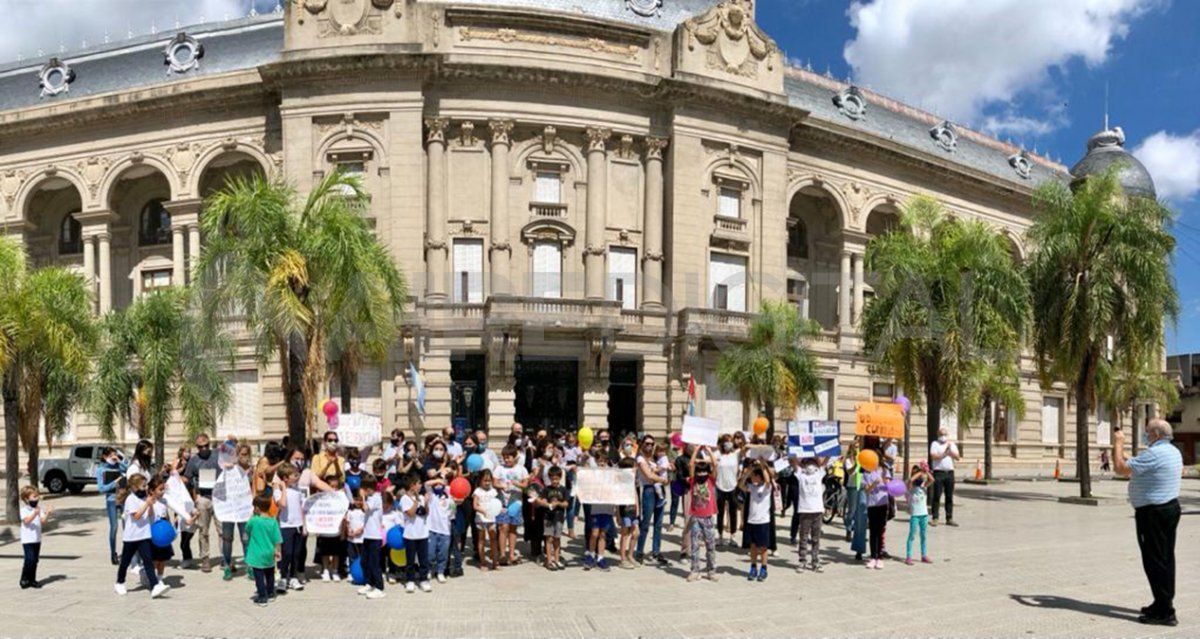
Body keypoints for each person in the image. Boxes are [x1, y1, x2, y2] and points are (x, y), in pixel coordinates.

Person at [1113, 419, 1182, 626]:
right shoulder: (1172, 451)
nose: (1146, 435)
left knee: (1154, 561)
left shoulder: (1154, 453)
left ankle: (1165, 611)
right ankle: (1162, 601)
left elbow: (1120, 469)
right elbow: (1139, 465)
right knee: (1165, 558)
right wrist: (1128, 457)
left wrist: (1118, 443)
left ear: (1157, 435)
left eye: (1147, 432)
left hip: (1153, 514)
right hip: (1169, 508)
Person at [114, 475, 170, 598]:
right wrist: (146, 503)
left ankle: (154, 586)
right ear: (134, 486)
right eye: (143, 485)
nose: (145, 488)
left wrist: (150, 505)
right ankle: (120, 582)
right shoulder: (131, 499)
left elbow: (149, 515)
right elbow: (137, 516)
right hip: (131, 537)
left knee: (148, 561)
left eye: (146, 485)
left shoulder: (145, 498)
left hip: (144, 535)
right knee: (125, 561)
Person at [685, 447, 719, 582]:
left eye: (704, 471)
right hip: (695, 517)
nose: (701, 474)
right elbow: (691, 464)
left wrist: (709, 451)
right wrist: (697, 449)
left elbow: (715, 464)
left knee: (711, 545)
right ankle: (695, 570)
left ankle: (711, 570)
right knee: (694, 545)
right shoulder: (693, 481)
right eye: (699, 472)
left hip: (708, 517)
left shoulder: (711, 480)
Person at [493, 445, 529, 565]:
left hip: (516, 502)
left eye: (509, 457)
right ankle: (502, 554)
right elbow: (494, 482)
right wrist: (501, 486)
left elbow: (525, 485)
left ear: (515, 457)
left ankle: (512, 553)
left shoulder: (522, 469)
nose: (506, 460)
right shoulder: (499, 468)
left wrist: (516, 484)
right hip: (502, 502)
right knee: (503, 527)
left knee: (513, 528)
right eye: (504, 458)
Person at [634, 437, 669, 565]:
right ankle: (639, 552)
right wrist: (663, 480)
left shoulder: (656, 458)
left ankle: (656, 551)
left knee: (658, 524)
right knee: (645, 523)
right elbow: (649, 476)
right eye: (647, 443)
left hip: (659, 490)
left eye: (652, 444)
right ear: (642, 444)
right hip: (648, 491)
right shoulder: (640, 459)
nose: (650, 446)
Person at [738, 458, 774, 582]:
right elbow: (740, 484)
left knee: (763, 547)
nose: (752, 478)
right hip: (751, 520)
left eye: (754, 476)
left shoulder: (767, 488)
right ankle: (753, 567)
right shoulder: (751, 487)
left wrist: (762, 465)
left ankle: (764, 568)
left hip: (763, 521)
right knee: (752, 546)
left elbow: (768, 480)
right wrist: (749, 471)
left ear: (760, 477)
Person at [244, 493, 282, 607]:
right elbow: (277, 539)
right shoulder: (273, 521)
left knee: (259, 577)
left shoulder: (254, 521)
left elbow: (247, 529)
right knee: (270, 574)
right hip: (269, 553)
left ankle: (262, 597)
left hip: (256, 554)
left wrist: (251, 516)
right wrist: (277, 551)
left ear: (257, 508)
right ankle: (270, 593)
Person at [273, 463, 306, 591]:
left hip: (298, 525)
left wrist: (304, 525)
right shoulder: (278, 491)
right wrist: (283, 488)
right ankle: (282, 577)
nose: (297, 477)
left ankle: (293, 577)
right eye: (294, 475)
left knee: (296, 553)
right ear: (286, 478)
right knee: (286, 553)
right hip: (285, 526)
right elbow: (283, 504)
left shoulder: (298, 491)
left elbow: (302, 509)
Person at [399, 473, 432, 593]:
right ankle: (410, 581)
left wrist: (426, 502)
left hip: (423, 534)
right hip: (410, 535)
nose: (421, 486)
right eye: (419, 484)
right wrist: (416, 501)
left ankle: (423, 580)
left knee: (423, 559)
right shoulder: (404, 499)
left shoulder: (422, 497)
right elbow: (411, 513)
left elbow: (426, 512)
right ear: (412, 485)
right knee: (410, 560)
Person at [793, 456, 826, 573]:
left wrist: (828, 451)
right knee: (803, 537)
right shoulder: (801, 475)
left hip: (817, 510)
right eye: (808, 463)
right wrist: (792, 452)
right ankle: (802, 560)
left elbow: (825, 461)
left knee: (816, 538)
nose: (810, 466)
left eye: (813, 463)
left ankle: (815, 561)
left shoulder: (819, 474)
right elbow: (793, 462)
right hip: (805, 510)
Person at [96, 447, 128, 565]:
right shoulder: (101, 470)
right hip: (111, 500)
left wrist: (119, 461)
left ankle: (127, 552)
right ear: (105, 457)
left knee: (127, 526)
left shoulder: (118, 466)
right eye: (111, 456)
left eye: (115, 455)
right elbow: (101, 488)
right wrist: (115, 482)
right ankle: (113, 553)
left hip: (123, 498)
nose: (113, 457)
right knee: (114, 527)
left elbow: (129, 469)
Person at [358, 474, 386, 599]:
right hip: (367, 535)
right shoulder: (371, 498)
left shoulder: (376, 498)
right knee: (365, 561)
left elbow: (365, 508)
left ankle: (380, 587)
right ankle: (369, 582)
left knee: (375, 563)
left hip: (375, 536)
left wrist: (362, 496)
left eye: (364, 488)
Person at [536, 465, 569, 571]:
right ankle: (549, 560)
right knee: (549, 538)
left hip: (559, 517)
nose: (555, 481)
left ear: (560, 478)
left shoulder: (563, 490)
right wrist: (545, 502)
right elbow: (543, 501)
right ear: (549, 478)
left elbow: (566, 504)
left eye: (557, 478)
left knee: (557, 538)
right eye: (552, 479)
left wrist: (558, 503)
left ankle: (557, 559)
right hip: (548, 517)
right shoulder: (546, 489)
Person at [19, 486, 51, 589]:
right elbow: (26, 521)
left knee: (35, 560)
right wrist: (34, 513)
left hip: (37, 539)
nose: (36, 499)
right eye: (34, 497)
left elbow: (42, 521)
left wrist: (47, 513)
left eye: (37, 496)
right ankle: (24, 578)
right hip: (27, 540)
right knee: (30, 559)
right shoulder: (24, 510)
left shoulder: (38, 509)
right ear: (27, 499)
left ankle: (32, 579)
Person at [929, 427, 960, 526]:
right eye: (941, 434)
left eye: (945, 434)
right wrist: (944, 454)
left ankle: (949, 518)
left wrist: (951, 453)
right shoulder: (935, 444)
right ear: (938, 435)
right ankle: (935, 517)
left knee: (949, 496)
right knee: (937, 495)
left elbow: (958, 457)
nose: (943, 436)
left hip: (949, 473)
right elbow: (933, 456)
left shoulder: (951, 444)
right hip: (938, 473)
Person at [425, 474, 454, 583]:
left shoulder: (449, 494)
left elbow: (453, 507)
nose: (438, 485)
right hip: (432, 529)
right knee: (430, 553)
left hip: (445, 530)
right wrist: (438, 480)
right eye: (436, 483)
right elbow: (427, 484)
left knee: (443, 554)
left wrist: (444, 483)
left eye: (441, 483)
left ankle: (440, 572)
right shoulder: (431, 495)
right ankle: (428, 570)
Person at [863, 459, 890, 570]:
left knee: (880, 530)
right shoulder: (866, 473)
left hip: (882, 504)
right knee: (873, 531)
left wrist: (884, 480)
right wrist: (874, 483)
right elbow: (867, 491)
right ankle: (873, 556)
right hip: (872, 504)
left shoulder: (884, 470)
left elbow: (889, 486)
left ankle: (880, 557)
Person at [714, 434, 740, 546]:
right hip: (720, 486)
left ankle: (732, 536)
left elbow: (745, 447)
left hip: (733, 486)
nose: (728, 444)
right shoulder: (717, 455)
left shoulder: (735, 455)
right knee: (720, 513)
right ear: (722, 443)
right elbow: (707, 459)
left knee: (733, 512)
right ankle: (719, 536)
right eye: (726, 441)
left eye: (730, 441)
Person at [473, 469, 501, 571]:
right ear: (480, 480)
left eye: (489, 480)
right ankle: (483, 562)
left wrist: (500, 509)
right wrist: (483, 511)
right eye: (485, 480)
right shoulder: (477, 491)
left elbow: (497, 503)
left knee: (493, 540)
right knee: (481, 540)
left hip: (492, 519)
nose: (487, 482)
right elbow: (475, 505)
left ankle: (495, 562)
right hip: (481, 519)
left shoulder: (493, 491)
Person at [616, 457, 641, 569]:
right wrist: (618, 514)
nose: (635, 468)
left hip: (633, 509)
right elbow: (617, 499)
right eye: (633, 466)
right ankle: (622, 559)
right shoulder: (620, 482)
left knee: (636, 533)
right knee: (625, 534)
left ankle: (630, 555)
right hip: (624, 510)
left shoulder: (634, 480)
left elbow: (635, 494)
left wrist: (638, 508)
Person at [906, 464, 932, 566]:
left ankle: (924, 555)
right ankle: (908, 556)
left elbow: (932, 480)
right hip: (915, 515)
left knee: (923, 535)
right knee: (912, 535)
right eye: (916, 474)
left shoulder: (924, 486)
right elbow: (910, 480)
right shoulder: (911, 487)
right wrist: (919, 472)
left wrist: (926, 471)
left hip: (924, 514)